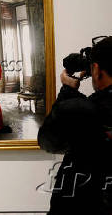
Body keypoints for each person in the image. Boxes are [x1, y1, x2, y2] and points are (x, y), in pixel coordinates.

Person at [38, 36, 112, 214]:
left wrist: (68, 90)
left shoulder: (79, 110)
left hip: (81, 202)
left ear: (96, 70)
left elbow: (49, 141)